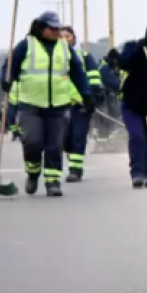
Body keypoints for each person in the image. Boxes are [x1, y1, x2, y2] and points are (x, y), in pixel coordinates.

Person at [0, 11, 93, 197]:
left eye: (58, 28)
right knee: (33, 142)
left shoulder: (65, 48)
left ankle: (53, 182)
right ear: (41, 28)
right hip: (30, 105)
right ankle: (33, 173)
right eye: (52, 29)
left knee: (54, 145)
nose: (57, 32)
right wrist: (6, 79)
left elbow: (78, 73)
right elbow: (9, 66)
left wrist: (86, 95)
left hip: (58, 106)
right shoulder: (26, 45)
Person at [58, 26, 111, 182]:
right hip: (60, 103)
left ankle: (75, 169)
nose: (64, 39)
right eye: (61, 36)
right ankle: (72, 156)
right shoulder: (54, 58)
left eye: (67, 36)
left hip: (81, 103)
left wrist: (95, 94)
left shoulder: (85, 57)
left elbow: (94, 77)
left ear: (74, 38)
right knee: (63, 137)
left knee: (78, 135)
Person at [118, 23, 147, 188]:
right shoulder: (137, 50)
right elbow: (124, 63)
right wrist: (139, 48)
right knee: (137, 137)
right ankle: (137, 173)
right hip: (132, 105)